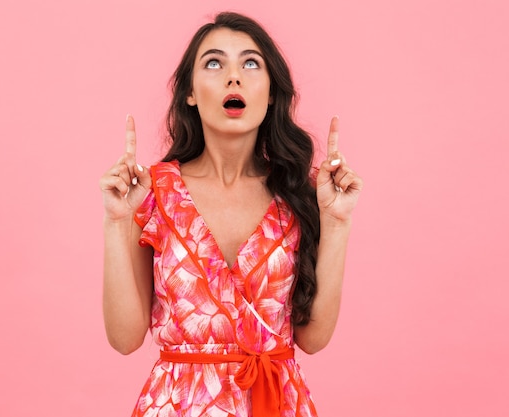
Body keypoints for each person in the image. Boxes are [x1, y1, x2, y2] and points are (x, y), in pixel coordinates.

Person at [99, 11, 363, 417]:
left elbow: (313, 338)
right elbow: (124, 337)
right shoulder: (153, 191)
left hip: (275, 404)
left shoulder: (299, 194)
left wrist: (338, 222)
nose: (234, 76)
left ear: (271, 92)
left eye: (251, 63)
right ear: (190, 91)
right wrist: (117, 222)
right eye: (214, 62)